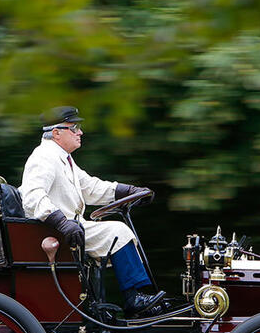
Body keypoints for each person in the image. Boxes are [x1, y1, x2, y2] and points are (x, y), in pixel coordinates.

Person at [20, 106, 168, 317]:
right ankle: (134, 298)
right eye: (75, 128)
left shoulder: (61, 158)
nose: (80, 132)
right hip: (55, 231)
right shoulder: (43, 157)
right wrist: (62, 222)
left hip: (70, 228)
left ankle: (123, 300)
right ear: (56, 133)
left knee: (117, 231)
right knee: (118, 232)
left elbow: (90, 187)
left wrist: (129, 191)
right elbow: (32, 196)